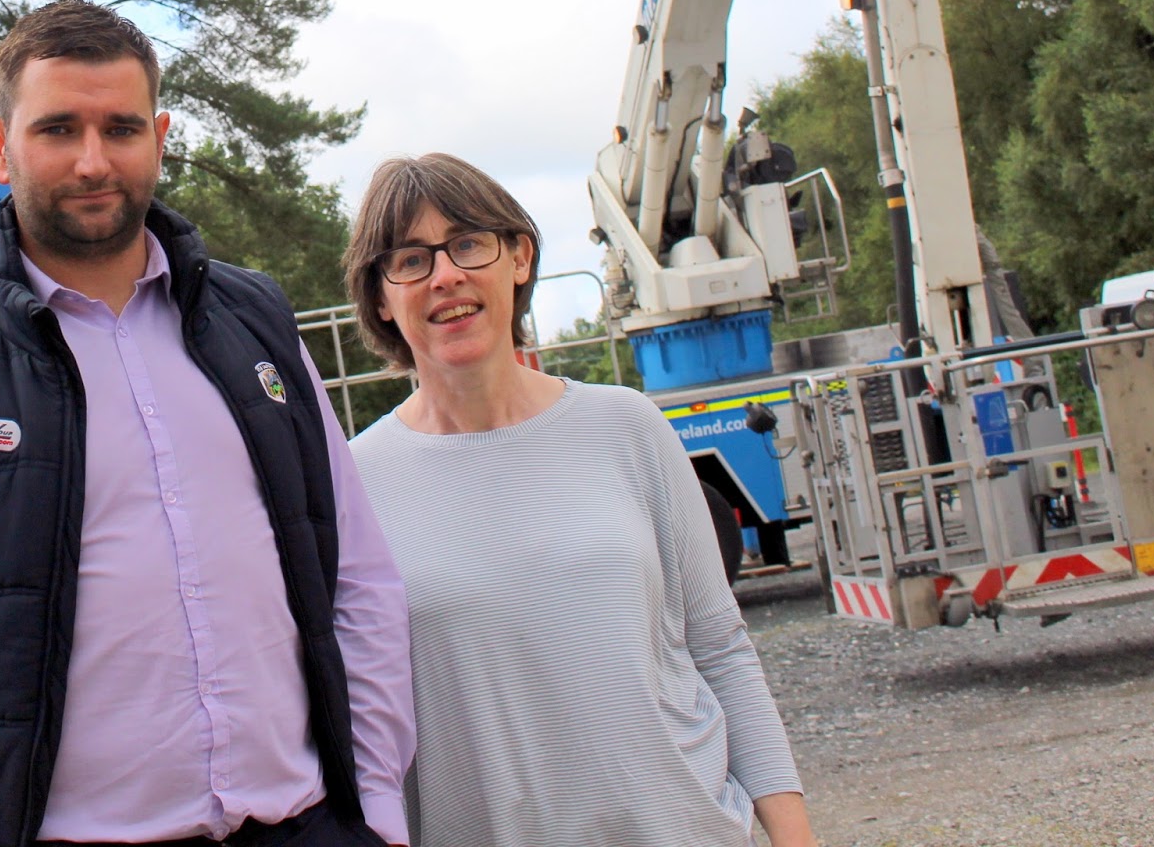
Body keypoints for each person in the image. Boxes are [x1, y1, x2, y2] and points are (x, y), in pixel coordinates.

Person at [0, 1, 415, 847]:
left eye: (121, 129)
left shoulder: (256, 322)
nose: (93, 161)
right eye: (58, 128)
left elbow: (358, 582)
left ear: (160, 138)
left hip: (304, 825)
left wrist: (377, 812)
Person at [344, 153, 818, 847]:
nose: (446, 275)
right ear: (381, 297)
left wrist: (794, 836)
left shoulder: (627, 427)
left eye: (469, 244)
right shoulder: (355, 484)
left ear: (520, 258)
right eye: (410, 260)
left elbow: (720, 647)